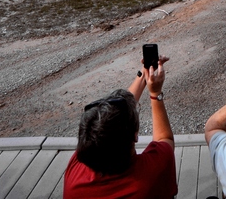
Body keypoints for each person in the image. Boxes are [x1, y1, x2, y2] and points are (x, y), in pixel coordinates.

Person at [64, 55, 177, 199]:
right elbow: (164, 139)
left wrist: (144, 74)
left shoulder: (76, 171)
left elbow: (113, 119)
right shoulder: (152, 172)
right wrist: (155, 93)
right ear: (135, 136)